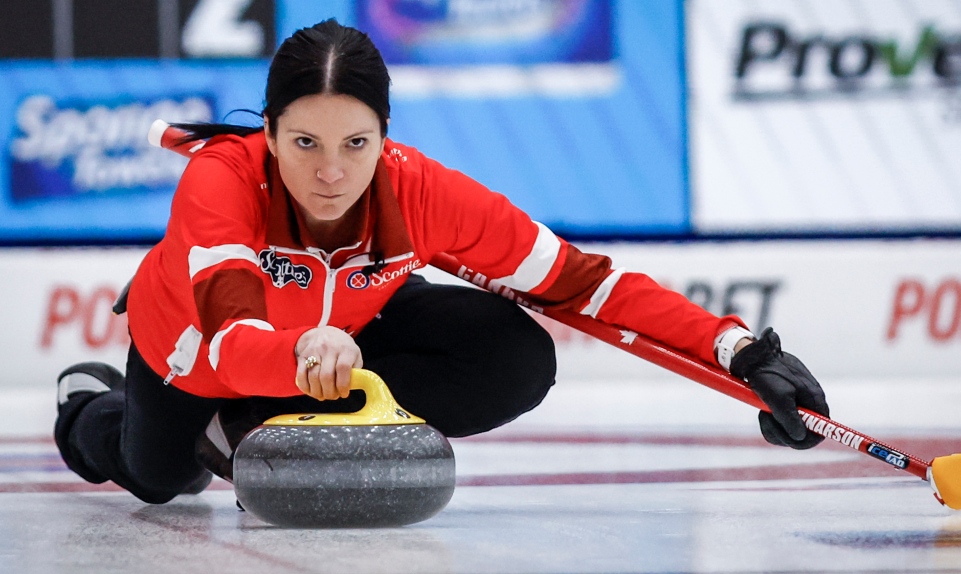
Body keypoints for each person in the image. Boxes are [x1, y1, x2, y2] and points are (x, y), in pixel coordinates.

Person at [54, 19, 829, 504]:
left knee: (514, 354)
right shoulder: (221, 179)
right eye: (305, 144)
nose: (331, 172)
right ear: (268, 130)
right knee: (157, 477)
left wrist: (738, 352)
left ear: (385, 136)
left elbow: (585, 286)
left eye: (356, 144)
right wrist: (297, 355)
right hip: (194, 349)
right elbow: (227, 339)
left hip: (341, 338)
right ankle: (88, 403)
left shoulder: (419, 191)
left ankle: (253, 427)